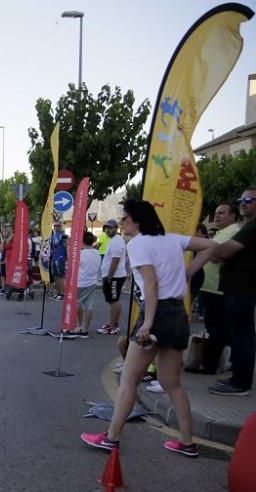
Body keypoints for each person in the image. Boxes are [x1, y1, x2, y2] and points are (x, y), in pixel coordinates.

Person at [81, 200, 216, 458]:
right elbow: (212, 246)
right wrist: (188, 272)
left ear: (138, 221)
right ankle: (187, 442)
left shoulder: (139, 244)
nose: (122, 223)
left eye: (126, 218)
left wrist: (147, 322)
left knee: (129, 379)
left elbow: (151, 285)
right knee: (172, 384)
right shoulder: (171, 239)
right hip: (178, 313)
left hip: (157, 313)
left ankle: (111, 438)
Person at [206, 187, 256, 396]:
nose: (243, 203)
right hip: (236, 289)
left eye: (249, 199)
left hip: (242, 289)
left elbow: (225, 250)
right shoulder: (248, 226)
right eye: (240, 199)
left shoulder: (252, 227)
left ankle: (240, 383)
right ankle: (237, 377)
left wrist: (209, 248)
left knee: (242, 336)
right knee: (238, 335)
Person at [187, 202, 241, 374]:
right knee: (214, 327)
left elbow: (216, 256)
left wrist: (206, 251)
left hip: (217, 289)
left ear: (233, 216)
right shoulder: (221, 233)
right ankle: (217, 362)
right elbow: (211, 252)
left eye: (222, 213)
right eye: (216, 213)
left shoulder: (233, 232)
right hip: (209, 287)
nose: (217, 216)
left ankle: (211, 365)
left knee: (217, 328)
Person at [97, 219, 127, 334]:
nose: (107, 230)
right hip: (112, 276)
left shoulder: (117, 241)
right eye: (106, 228)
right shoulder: (113, 240)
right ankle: (112, 323)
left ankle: (113, 326)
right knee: (111, 300)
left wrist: (109, 277)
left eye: (110, 227)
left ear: (116, 228)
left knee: (114, 300)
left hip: (115, 277)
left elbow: (115, 260)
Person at [73, 230, 102, 337]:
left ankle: (79, 326)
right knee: (89, 306)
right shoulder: (97, 253)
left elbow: (74, 269)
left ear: (82, 241)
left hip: (80, 282)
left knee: (77, 303)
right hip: (92, 282)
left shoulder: (80, 254)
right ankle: (85, 330)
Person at [49, 221, 67, 299]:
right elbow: (52, 248)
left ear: (61, 226)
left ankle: (62, 294)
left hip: (61, 257)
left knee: (61, 276)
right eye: (55, 225)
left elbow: (67, 246)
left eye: (58, 226)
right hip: (54, 257)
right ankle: (58, 293)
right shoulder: (53, 236)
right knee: (55, 276)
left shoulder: (63, 235)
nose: (56, 227)